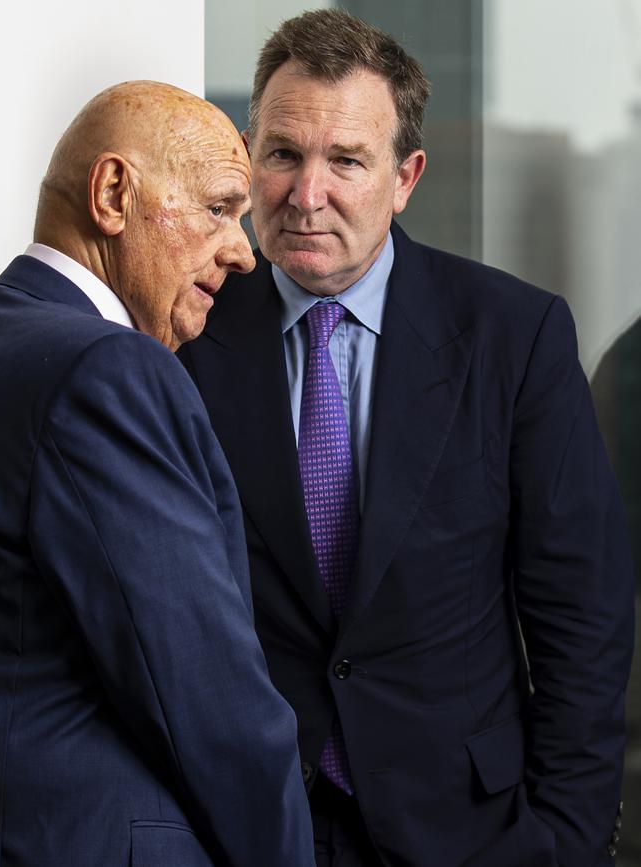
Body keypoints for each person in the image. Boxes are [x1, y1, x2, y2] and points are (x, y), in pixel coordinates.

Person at [177, 10, 636, 867]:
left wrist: (565, 838)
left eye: (346, 160)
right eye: (282, 154)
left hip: (475, 829)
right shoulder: (186, 333)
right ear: (248, 157)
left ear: (405, 176)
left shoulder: (514, 336)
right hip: (249, 825)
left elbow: (583, 613)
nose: (306, 195)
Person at [0, 80, 316, 867]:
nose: (243, 251)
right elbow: (210, 702)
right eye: (216, 208)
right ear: (112, 194)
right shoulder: (107, 369)